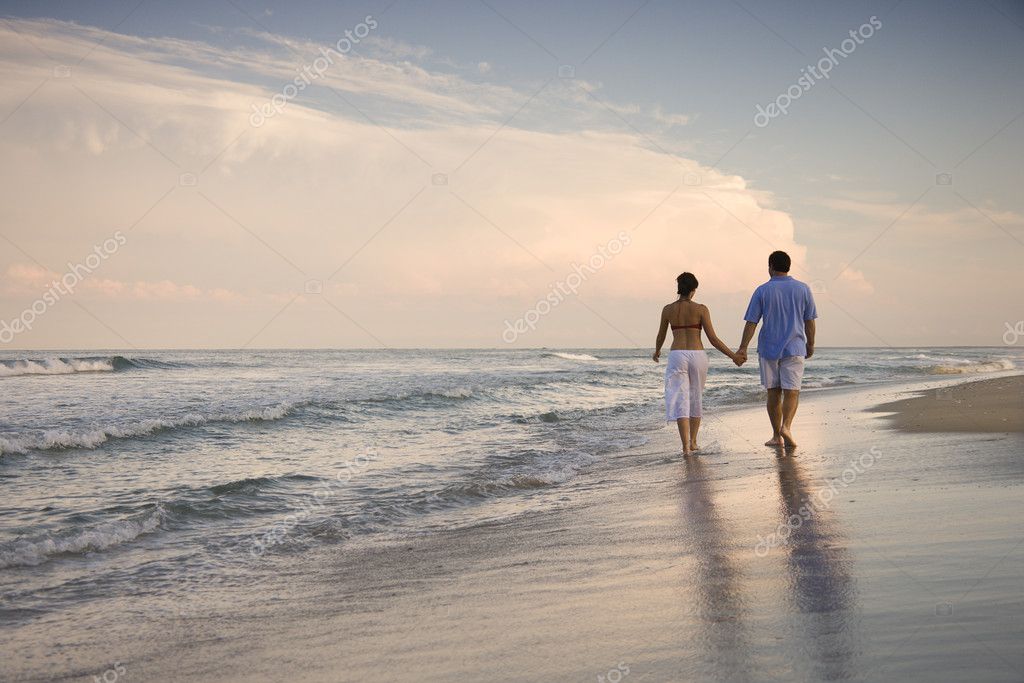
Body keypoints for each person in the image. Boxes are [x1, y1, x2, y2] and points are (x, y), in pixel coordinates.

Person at [654, 272, 744, 455]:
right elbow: (713, 339)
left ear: (679, 288)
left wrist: (656, 351)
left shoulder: (667, 309)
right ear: (693, 290)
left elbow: (661, 335)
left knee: (681, 400)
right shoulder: (701, 309)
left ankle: (685, 446)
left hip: (677, 354)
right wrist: (733, 356)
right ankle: (694, 441)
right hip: (697, 355)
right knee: (695, 397)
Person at [736, 251, 817, 448]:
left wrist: (743, 348)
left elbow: (751, 322)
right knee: (792, 391)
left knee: (773, 392)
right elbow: (810, 321)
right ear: (788, 266)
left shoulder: (762, 290)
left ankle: (776, 436)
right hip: (796, 346)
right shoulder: (803, 289)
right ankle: (786, 427)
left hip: (768, 348)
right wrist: (810, 344)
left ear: (770, 266)